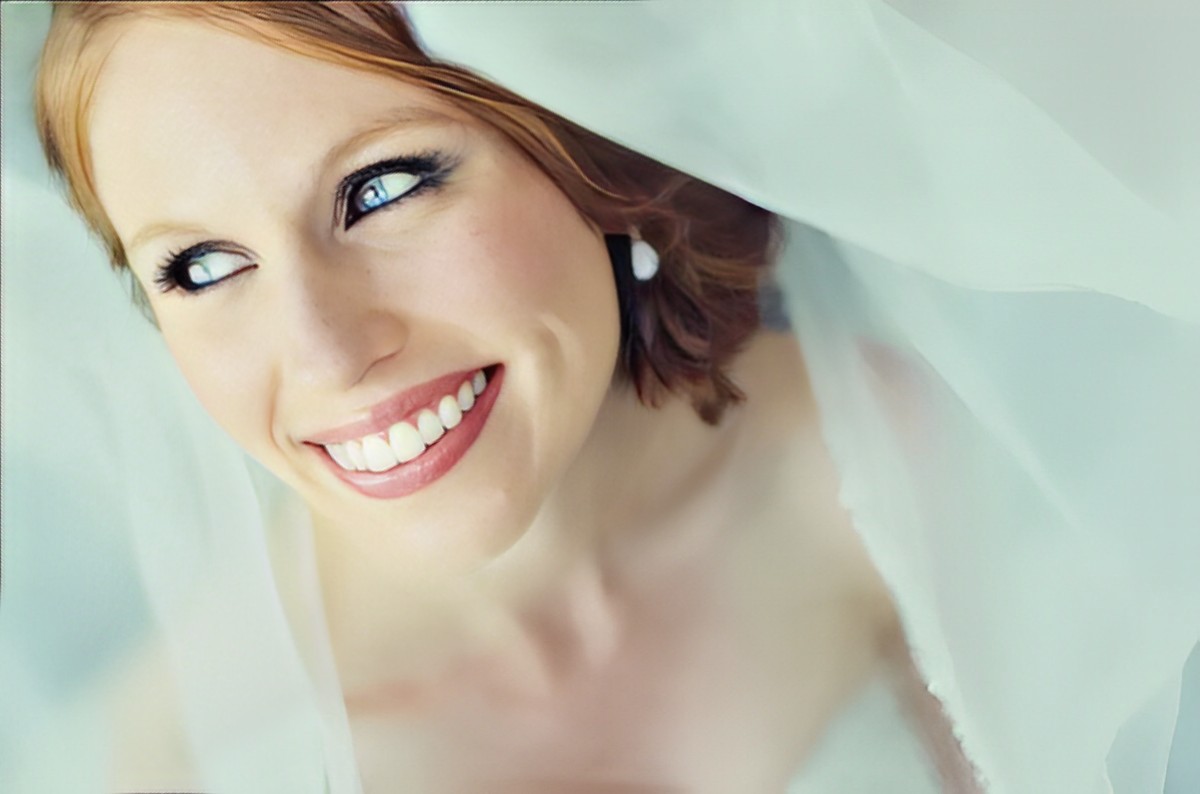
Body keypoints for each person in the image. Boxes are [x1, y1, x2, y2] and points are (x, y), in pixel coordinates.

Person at [9, 2, 1198, 793]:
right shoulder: (176, 754)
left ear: (588, 152)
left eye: (381, 188)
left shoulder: (909, 461)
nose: (321, 352)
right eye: (200, 267)